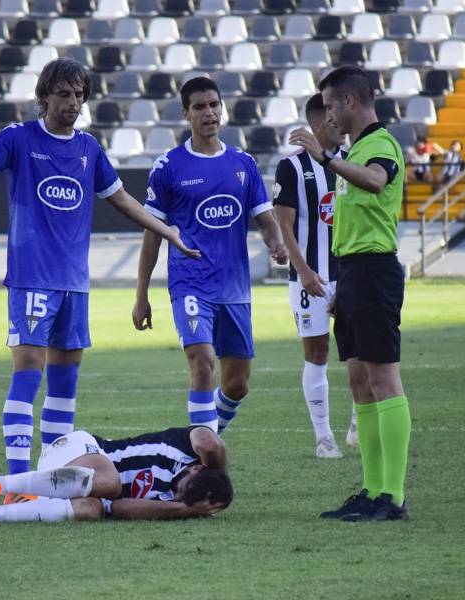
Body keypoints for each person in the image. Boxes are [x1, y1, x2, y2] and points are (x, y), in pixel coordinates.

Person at [0, 59, 199, 480]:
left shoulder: (89, 149)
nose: (73, 103)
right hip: (32, 280)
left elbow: (123, 201)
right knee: (27, 376)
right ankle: (18, 481)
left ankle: (52, 476)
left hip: (75, 285)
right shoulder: (19, 139)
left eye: (79, 95)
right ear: (44, 95)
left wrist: (168, 231)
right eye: (64, 94)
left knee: (65, 386)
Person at [132, 77, 288, 435]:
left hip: (234, 289)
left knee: (237, 385)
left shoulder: (244, 163)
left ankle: (205, 440)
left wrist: (275, 242)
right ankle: (201, 465)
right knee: (202, 365)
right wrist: (141, 295)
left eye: (214, 105)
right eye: (200, 107)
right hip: (190, 285)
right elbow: (152, 237)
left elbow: (266, 221)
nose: (209, 113)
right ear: (186, 113)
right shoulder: (168, 166)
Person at [289, 66, 411, 522]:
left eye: (327, 103)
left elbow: (377, 181)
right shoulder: (356, 149)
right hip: (355, 274)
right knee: (360, 382)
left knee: (384, 381)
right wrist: (342, 284)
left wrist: (325, 157)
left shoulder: (379, 145)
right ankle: (373, 489)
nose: (326, 114)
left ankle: (393, 498)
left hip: (376, 270)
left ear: (348, 101)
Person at [272, 93, 358, 458]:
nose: (340, 124)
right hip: (310, 277)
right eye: (333, 118)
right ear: (318, 123)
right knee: (317, 352)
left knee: (360, 351)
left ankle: (358, 424)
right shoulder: (291, 167)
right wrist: (304, 270)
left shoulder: (353, 161)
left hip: (351, 272)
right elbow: (284, 225)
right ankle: (324, 437)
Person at [0, 425, 232, 523]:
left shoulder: (173, 501)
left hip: (80, 486)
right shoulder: (184, 446)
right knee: (112, 483)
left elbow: (118, 508)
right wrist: (219, 476)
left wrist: (183, 507)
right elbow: (209, 441)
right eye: (185, 487)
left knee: (91, 510)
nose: (177, 495)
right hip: (78, 449)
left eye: (183, 498)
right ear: (198, 466)